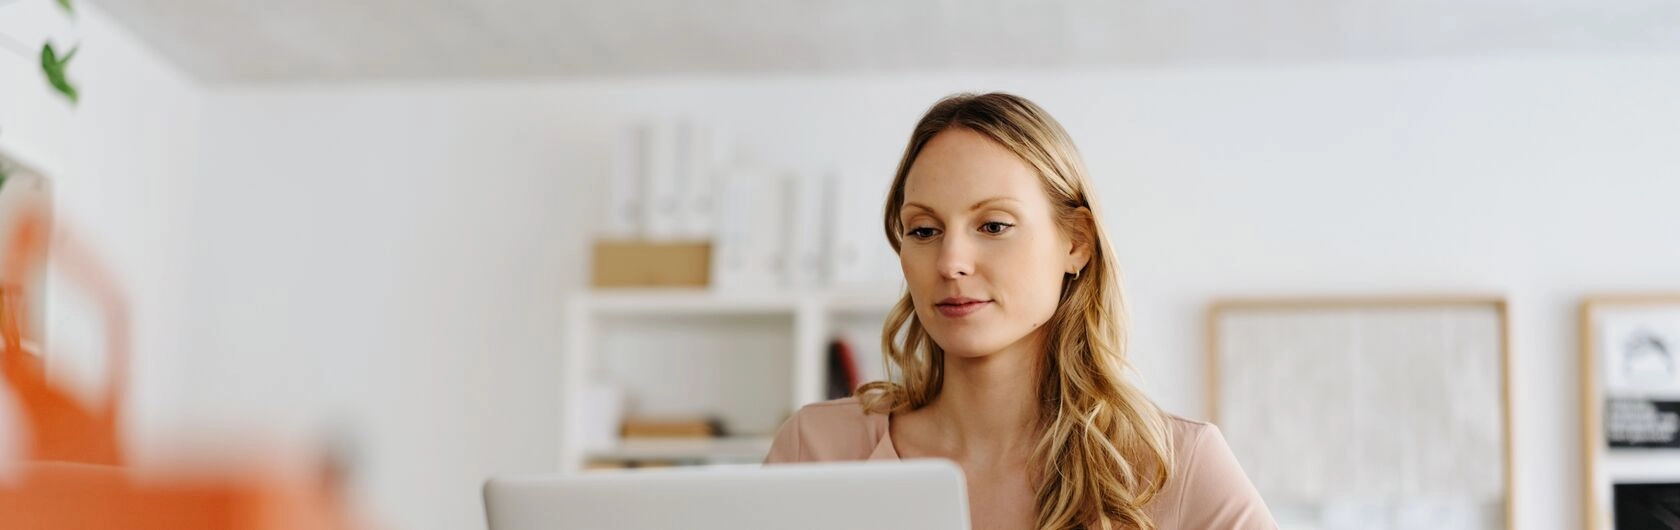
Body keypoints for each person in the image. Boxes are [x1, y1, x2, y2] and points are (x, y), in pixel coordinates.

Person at [764, 93, 1276, 530]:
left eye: (993, 226)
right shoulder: (816, 449)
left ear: (1076, 242)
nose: (951, 262)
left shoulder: (1178, 466)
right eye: (923, 230)